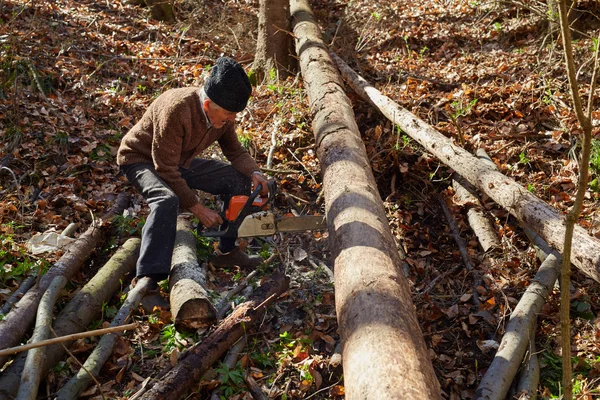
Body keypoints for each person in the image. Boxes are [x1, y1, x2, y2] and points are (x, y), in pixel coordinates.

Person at [116, 57, 269, 296]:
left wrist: (255, 173)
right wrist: (197, 208)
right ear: (208, 105)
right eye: (228, 114)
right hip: (140, 159)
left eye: (233, 115)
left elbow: (235, 151)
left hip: (176, 160)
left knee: (236, 179)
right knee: (166, 200)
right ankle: (147, 280)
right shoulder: (177, 109)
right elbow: (165, 169)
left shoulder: (223, 114)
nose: (231, 120)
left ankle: (226, 252)